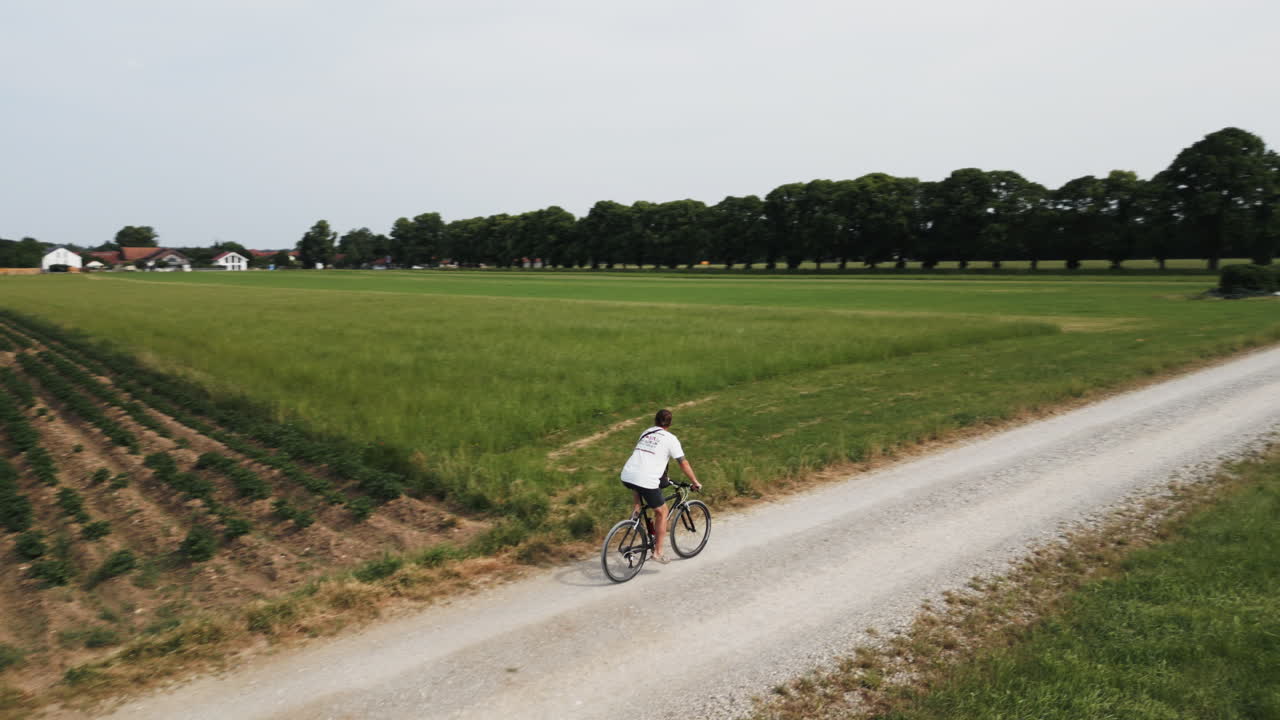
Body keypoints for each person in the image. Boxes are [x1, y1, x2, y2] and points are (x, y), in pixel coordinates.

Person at [619, 408, 701, 563]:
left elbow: (643, 458)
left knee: (638, 482)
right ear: (669, 424)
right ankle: (658, 552)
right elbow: (683, 463)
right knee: (662, 512)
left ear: (655, 421)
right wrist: (695, 481)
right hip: (646, 479)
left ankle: (636, 509)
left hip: (628, 473)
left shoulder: (646, 432)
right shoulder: (671, 439)